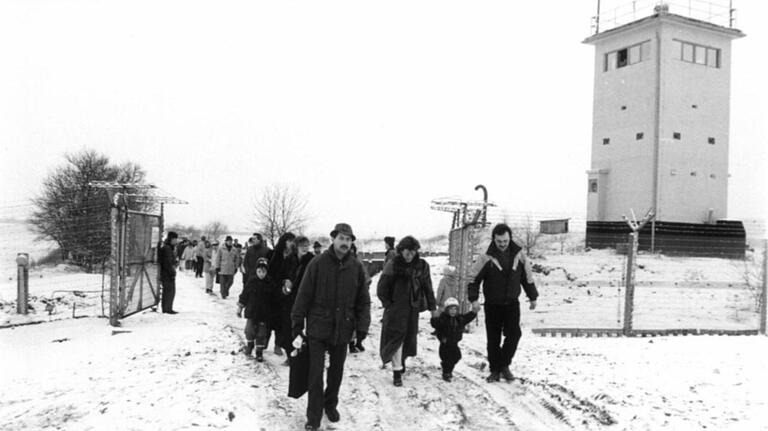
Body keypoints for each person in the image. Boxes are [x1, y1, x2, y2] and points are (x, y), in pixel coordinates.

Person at [291, 223, 371, 431]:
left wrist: (362, 327)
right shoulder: (317, 264)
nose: (345, 243)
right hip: (319, 327)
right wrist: (297, 323)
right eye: (341, 238)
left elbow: (363, 300)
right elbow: (304, 294)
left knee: (336, 372)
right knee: (315, 375)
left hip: (343, 328)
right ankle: (313, 417)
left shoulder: (356, 267)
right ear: (333, 239)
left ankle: (330, 404)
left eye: (348, 239)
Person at [467, 223, 539, 383]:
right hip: (493, 305)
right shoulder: (485, 257)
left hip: (512, 304)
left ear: (509, 238)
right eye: (499, 241)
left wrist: (532, 296)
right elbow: (473, 279)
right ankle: (495, 370)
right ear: (494, 239)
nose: (502, 244)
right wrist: (473, 299)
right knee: (493, 339)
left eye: (505, 241)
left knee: (514, 335)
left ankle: (504, 365)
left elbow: (527, 278)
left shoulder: (519, 255)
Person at [377, 235, 437, 387]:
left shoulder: (422, 266)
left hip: (412, 308)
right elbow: (382, 287)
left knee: (409, 338)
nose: (409, 255)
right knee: (396, 338)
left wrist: (432, 307)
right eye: (406, 251)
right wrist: (388, 304)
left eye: (413, 251)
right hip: (396, 309)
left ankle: (401, 361)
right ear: (401, 251)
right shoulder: (392, 265)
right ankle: (397, 372)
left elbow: (428, 287)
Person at [237, 257, 276, 362]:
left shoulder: (270, 283)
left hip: (264, 314)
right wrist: (240, 307)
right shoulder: (251, 281)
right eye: (259, 271)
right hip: (252, 312)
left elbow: (274, 299)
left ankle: (259, 351)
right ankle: (250, 345)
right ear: (256, 271)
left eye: (263, 271)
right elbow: (244, 295)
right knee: (249, 331)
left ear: (267, 272)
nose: (261, 274)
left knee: (261, 334)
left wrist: (273, 312)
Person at [430, 297, 476, 382]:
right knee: (447, 359)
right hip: (445, 343)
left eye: (455, 309)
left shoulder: (459, 319)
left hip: (454, 343)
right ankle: (446, 373)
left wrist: (474, 312)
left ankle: (448, 369)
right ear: (447, 309)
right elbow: (435, 324)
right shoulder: (443, 318)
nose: (453, 311)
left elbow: (467, 318)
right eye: (451, 309)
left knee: (457, 357)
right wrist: (434, 317)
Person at [268, 232, 297, 357]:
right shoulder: (276, 255)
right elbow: (271, 273)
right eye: (288, 241)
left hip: (289, 293)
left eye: (292, 241)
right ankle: (263, 341)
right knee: (271, 318)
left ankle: (278, 345)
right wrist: (281, 282)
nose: (291, 243)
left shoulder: (294, 256)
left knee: (283, 321)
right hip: (275, 291)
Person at [159, 231, 180, 314]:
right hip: (167, 273)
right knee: (169, 291)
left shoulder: (169, 247)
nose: (176, 241)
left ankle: (167, 308)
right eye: (175, 239)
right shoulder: (167, 248)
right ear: (172, 239)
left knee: (168, 291)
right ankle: (167, 309)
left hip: (166, 272)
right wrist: (172, 272)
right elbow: (167, 262)